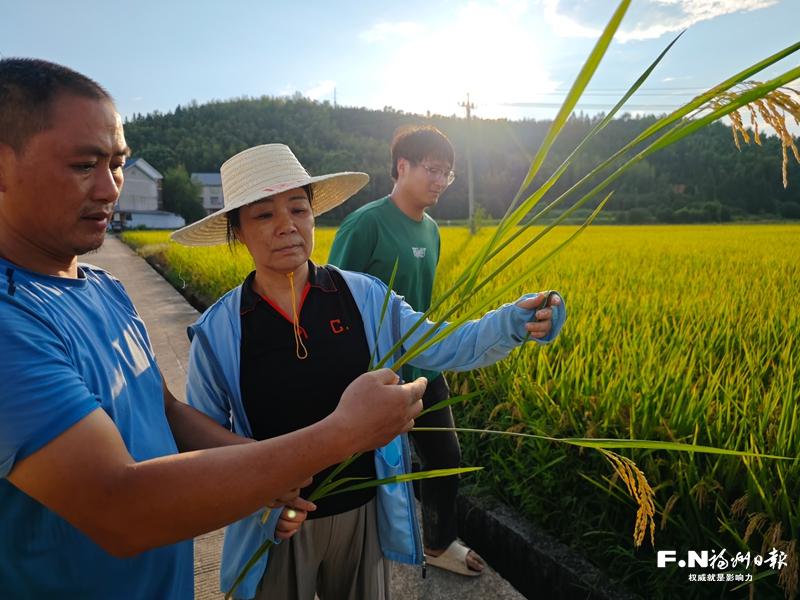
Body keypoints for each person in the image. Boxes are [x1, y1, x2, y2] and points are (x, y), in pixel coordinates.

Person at [0, 58, 426, 599]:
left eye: (118, 164)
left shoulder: (102, 288)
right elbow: (119, 507)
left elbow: (168, 412)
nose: (110, 189)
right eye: (85, 165)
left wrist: (273, 484)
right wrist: (341, 435)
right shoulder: (10, 322)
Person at [171, 143, 566, 599]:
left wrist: (514, 321)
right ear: (236, 231)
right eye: (263, 216)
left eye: (298, 208)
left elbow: (444, 344)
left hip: (362, 513)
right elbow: (206, 440)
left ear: (313, 216)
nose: (286, 226)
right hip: (274, 526)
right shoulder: (219, 332)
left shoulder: (363, 297)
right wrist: (261, 496)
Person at [328, 125, 482, 575]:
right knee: (366, 470)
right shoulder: (366, 224)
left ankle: (437, 543)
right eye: (432, 170)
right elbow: (330, 296)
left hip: (424, 367)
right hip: (373, 376)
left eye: (448, 174)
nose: (440, 181)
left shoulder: (432, 230)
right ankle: (356, 547)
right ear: (402, 167)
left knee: (445, 458)